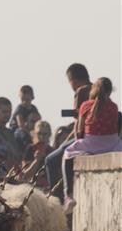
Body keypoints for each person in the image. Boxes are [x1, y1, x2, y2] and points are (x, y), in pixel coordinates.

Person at [61, 77, 122, 212]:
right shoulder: (114, 107)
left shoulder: (85, 106)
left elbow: (79, 131)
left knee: (67, 154)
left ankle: (68, 196)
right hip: (112, 144)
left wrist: (83, 140)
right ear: (109, 92)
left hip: (91, 143)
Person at [46, 63, 92, 197]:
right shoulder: (98, 89)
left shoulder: (81, 91)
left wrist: (63, 143)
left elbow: (79, 125)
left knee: (51, 160)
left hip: (86, 138)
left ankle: (58, 200)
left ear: (73, 80)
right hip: (105, 138)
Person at [21, 120, 53, 187]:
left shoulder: (52, 151)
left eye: (44, 134)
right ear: (35, 134)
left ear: (49, 134)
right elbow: (25, 175)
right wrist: (36, 160)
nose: (41, 137)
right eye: (39, 134)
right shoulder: (30, 149)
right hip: (32, 186)